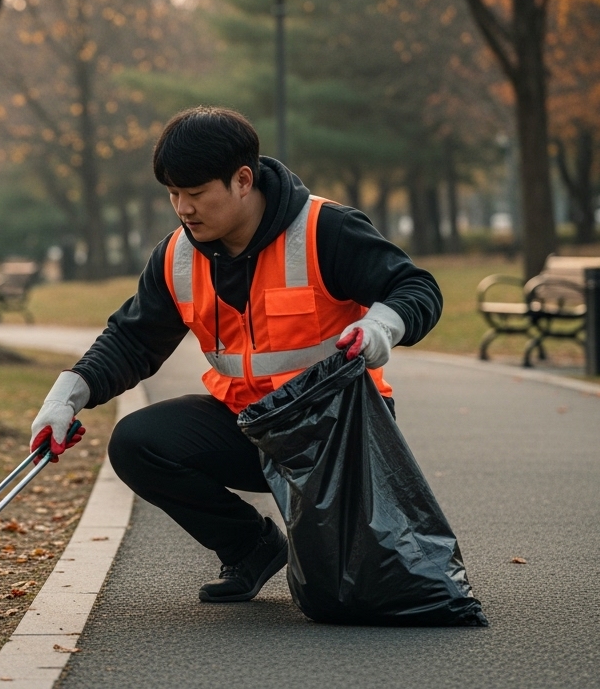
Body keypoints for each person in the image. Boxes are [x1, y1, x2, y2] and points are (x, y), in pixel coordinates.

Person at [29, 107, 443, 603]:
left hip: (338, 438)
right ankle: (251, 547)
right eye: (173, 194)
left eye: (197, 193)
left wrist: (380, 326)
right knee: (137, 442)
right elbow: (132, 341)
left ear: (243, 180)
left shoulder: (324, 229)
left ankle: (326, 539)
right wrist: (65, 398)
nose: (183, 208)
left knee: (344, 594)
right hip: (251, 429)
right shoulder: (176, 256)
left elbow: (416, 287)